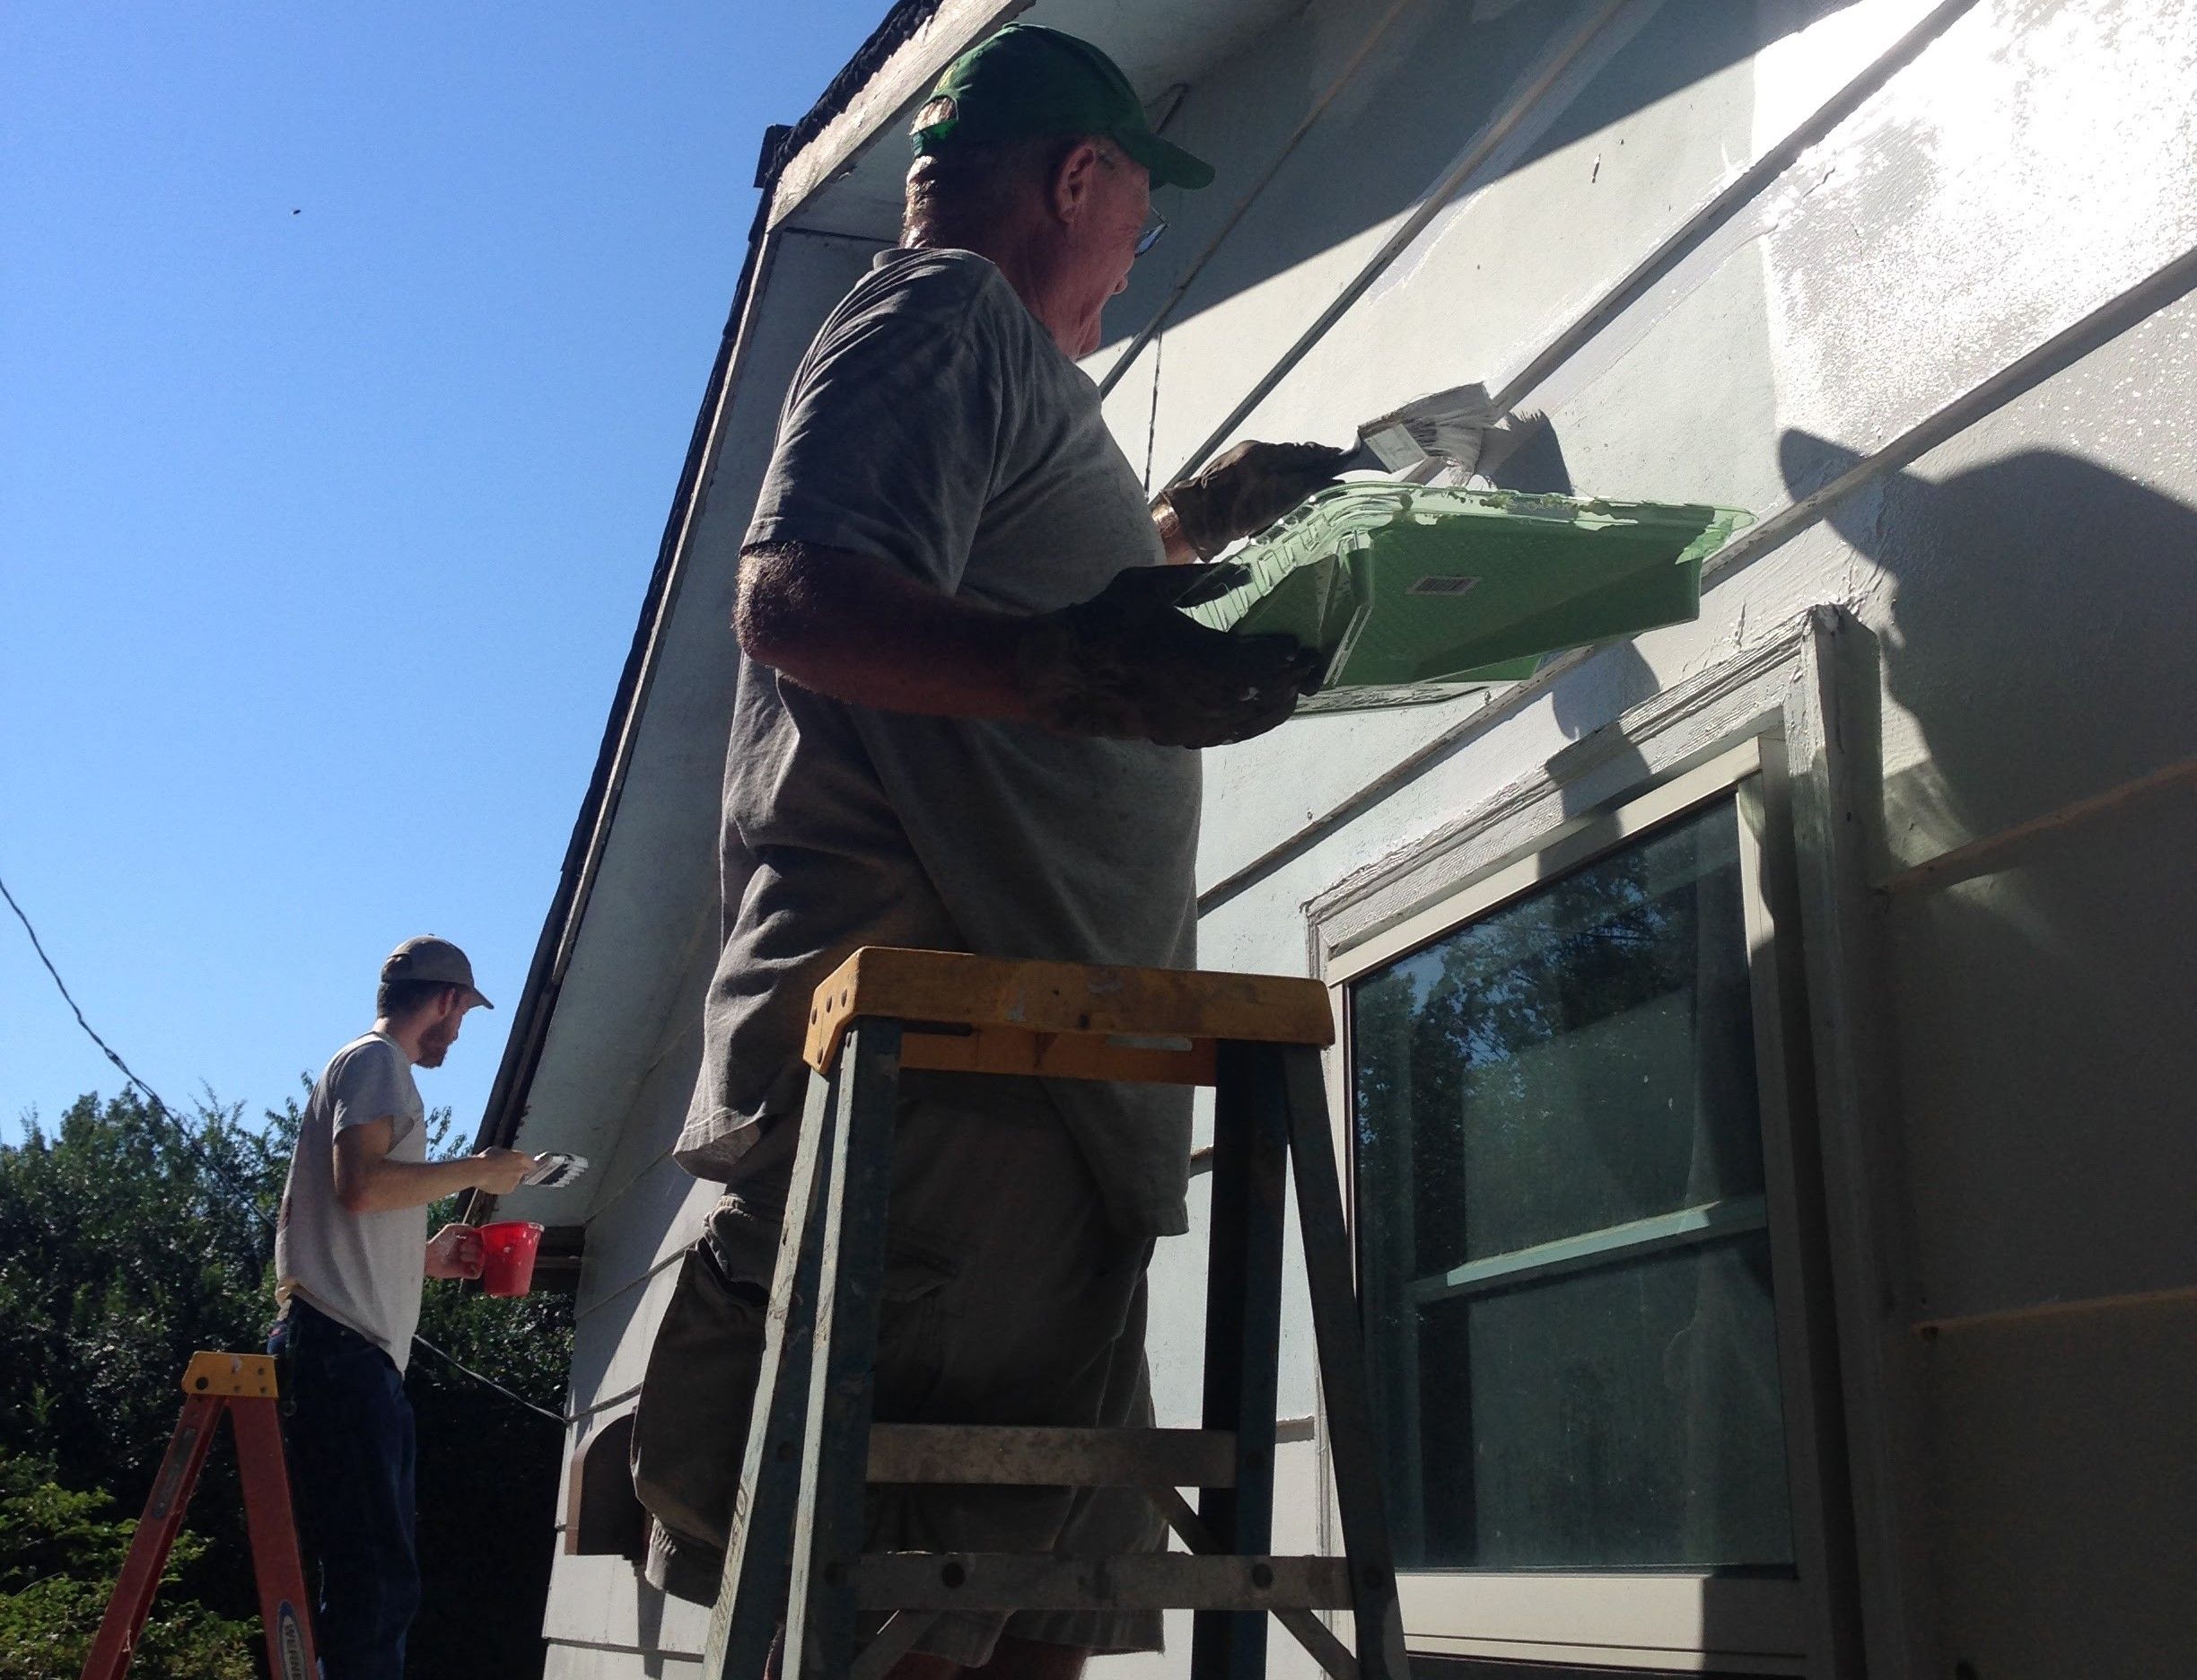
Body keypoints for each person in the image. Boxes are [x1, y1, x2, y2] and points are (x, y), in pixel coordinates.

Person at [630, 22, 1352, 1678]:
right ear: (1075, 176)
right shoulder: (942, 306)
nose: (1138, 246)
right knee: (904, 1620)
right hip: (941, 1082)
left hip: (1036, 1084)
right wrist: (1077, 668)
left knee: (1023, 1616)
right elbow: (795, 594)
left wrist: (1185, 532)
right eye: (1132, 212)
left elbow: (1008, 595)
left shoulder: (1010, 378)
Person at [267, 935, 537, 1680]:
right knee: (378, 1577)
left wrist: (426, 1258)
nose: (459, 1031)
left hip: (347, 1347)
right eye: (464, 1014)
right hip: (344, 1351)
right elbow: (362, 1186)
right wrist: (480, 1170)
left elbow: (350, 1213)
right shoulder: (376, 1062)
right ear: (448, 1001)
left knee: (372, 1569)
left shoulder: (365, 1068)